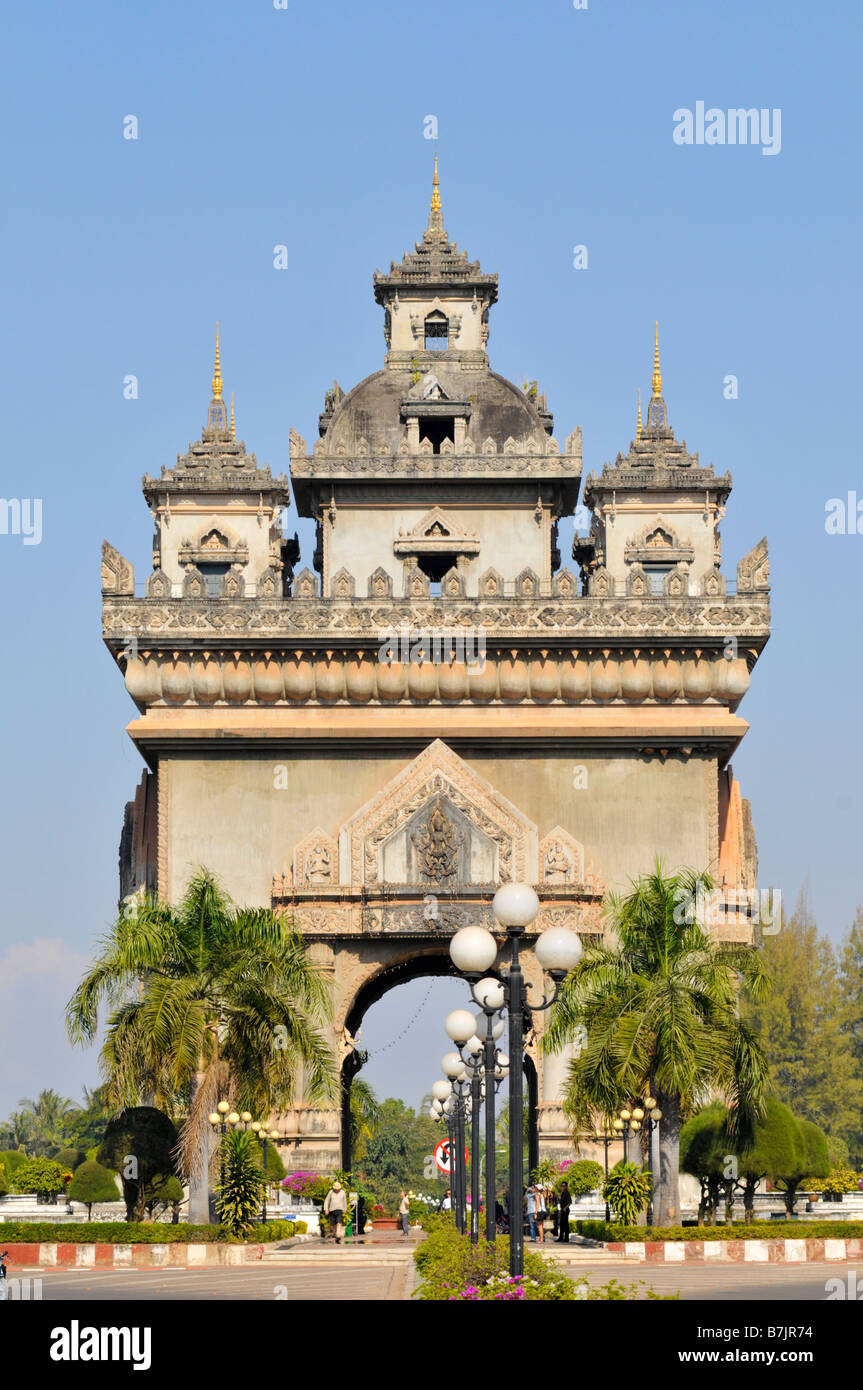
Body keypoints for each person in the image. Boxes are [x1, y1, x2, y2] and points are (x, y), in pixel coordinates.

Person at [323, 1179, 348, 1244]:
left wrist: (345, 1208)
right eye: (336, 1189)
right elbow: (327, 1201)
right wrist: (326, 1209)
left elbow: (345, 1201)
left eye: (338, 1189)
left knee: (339, 1222)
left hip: (340, 1209)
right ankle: (335, 1234)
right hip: (332, 1210)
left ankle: (338, 1235)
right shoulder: (330, 1192)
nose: (337, 1190)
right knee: (333, 1224)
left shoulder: (343, 1192)